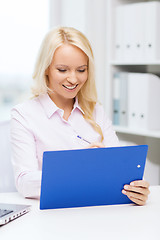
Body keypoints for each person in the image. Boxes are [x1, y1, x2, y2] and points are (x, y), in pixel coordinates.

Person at [10, 26, 150, 205]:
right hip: (51, 217)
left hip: (98, 211)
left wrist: (136, 189)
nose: (73, 79)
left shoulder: (96, 111)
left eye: (81, 70)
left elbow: (120, 168)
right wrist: (82, 167)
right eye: (62, 70)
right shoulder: (24, 114)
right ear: (46, 69)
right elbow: (24, 182)